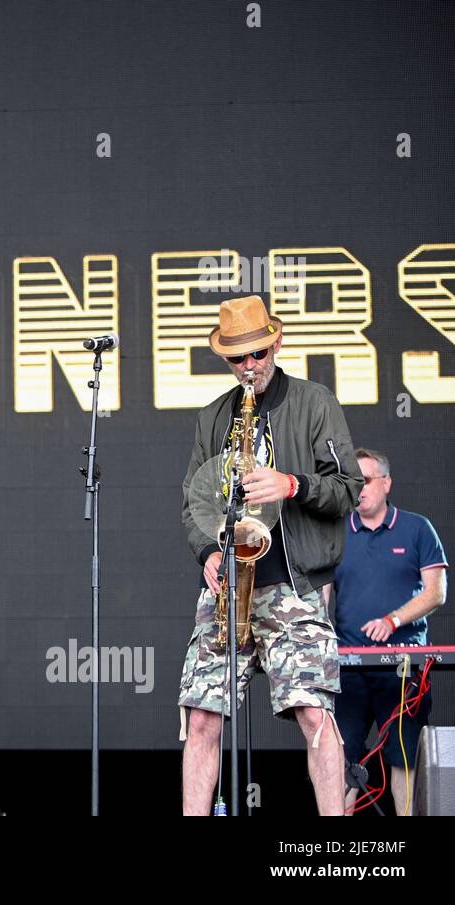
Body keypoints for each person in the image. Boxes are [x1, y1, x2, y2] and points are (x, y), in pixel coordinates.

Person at [178, 295, 364, 815]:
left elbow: (349, 488)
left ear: (276, 342)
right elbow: (193, 501)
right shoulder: (214, 416)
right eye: (237, 358)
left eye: (257, 353)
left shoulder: (314, 401)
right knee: (200, 719)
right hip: (229, 585)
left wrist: (291, 483)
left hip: (295, 585)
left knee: (314, 715)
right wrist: (206, 554)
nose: (249, 366)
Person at [335, 448, 447, 815]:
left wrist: (392, 621)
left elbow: (436, 592)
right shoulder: (335, 533)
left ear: (386, 483)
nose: (359, 488)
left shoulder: (417, 528)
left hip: (402, 669)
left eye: (366, 480)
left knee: (403, 756)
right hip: (347, 670)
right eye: (353, 481)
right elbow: (318, 598)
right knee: (341, 757)